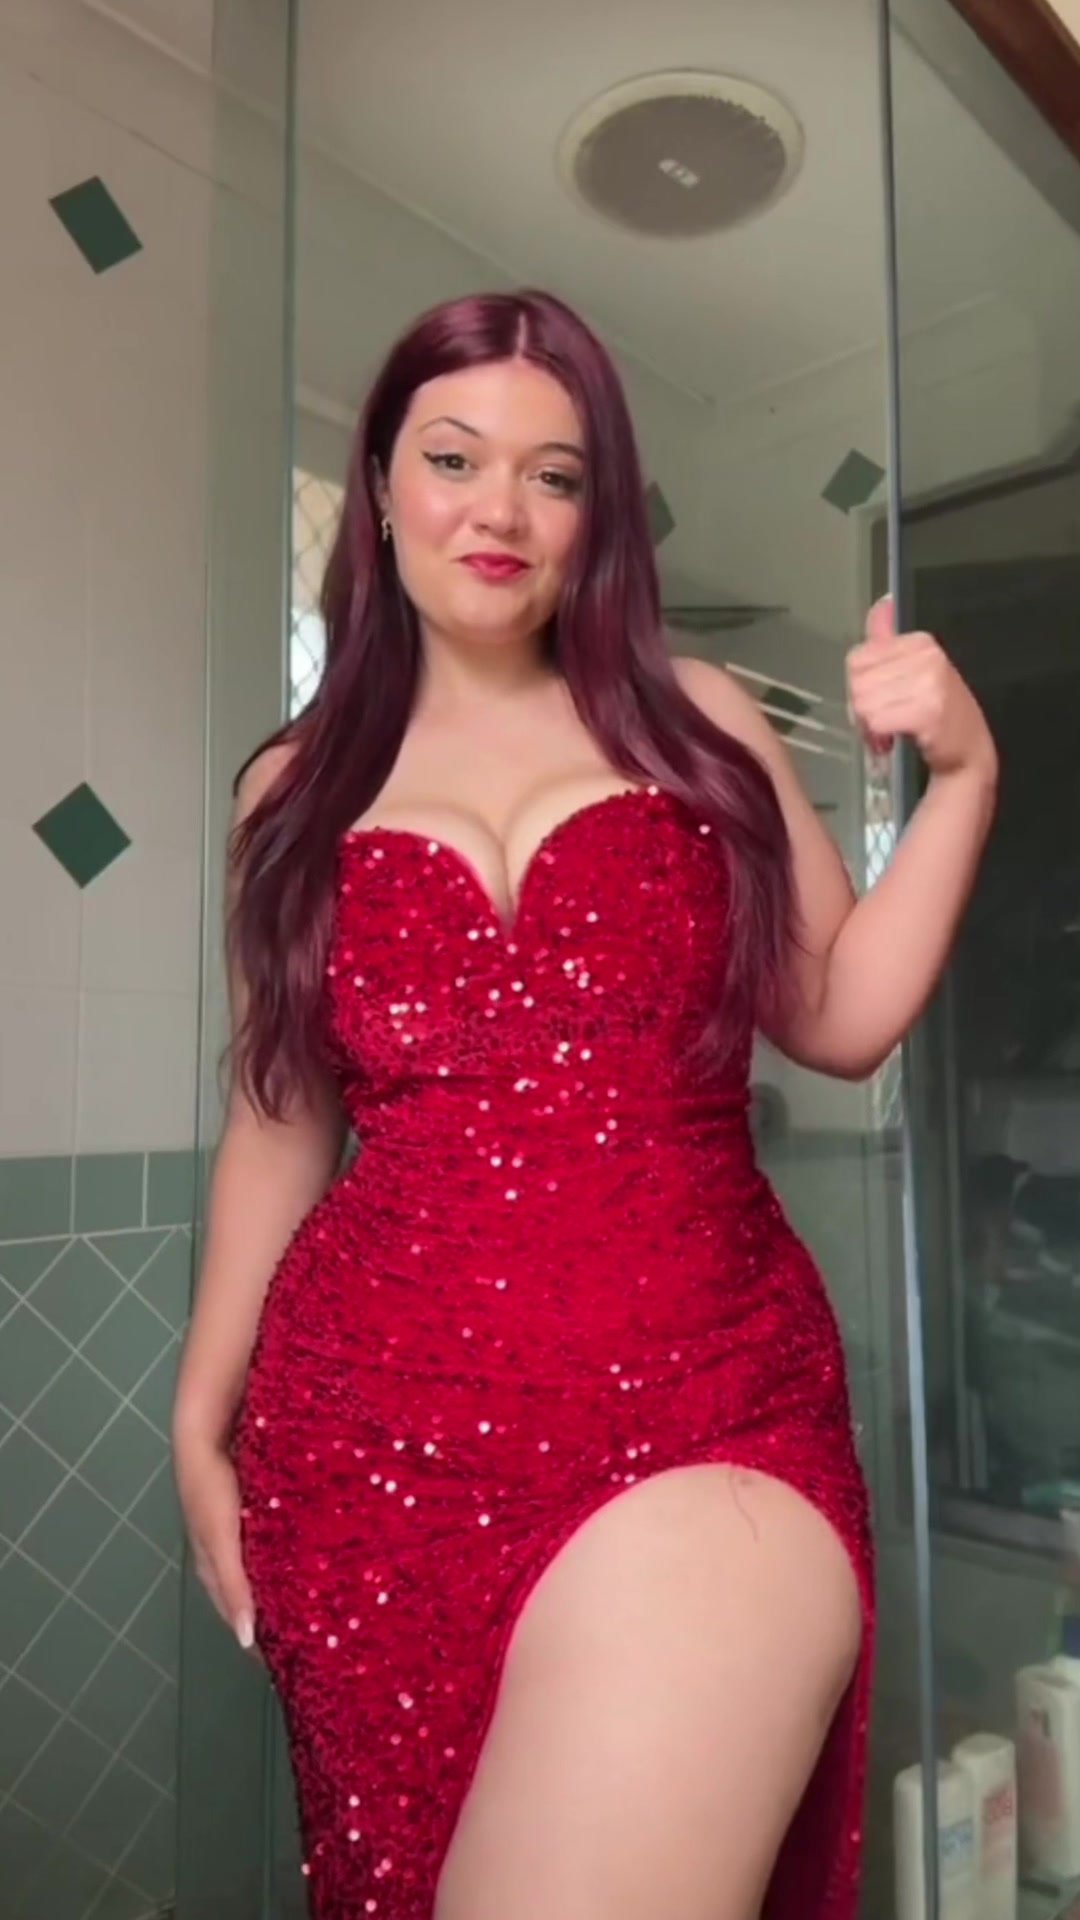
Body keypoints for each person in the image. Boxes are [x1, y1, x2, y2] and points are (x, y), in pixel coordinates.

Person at [172, 288, 997, 1920]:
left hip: (706, 1411)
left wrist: (968, 777)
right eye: (455, 458)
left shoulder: (698, 721)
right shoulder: (290, 789)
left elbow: (841, 1017)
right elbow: (282, 1115)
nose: (500, 509)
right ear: (380, 483)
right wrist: (202, 1411)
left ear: (595, 514)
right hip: (366, 1457)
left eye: (553, 476)